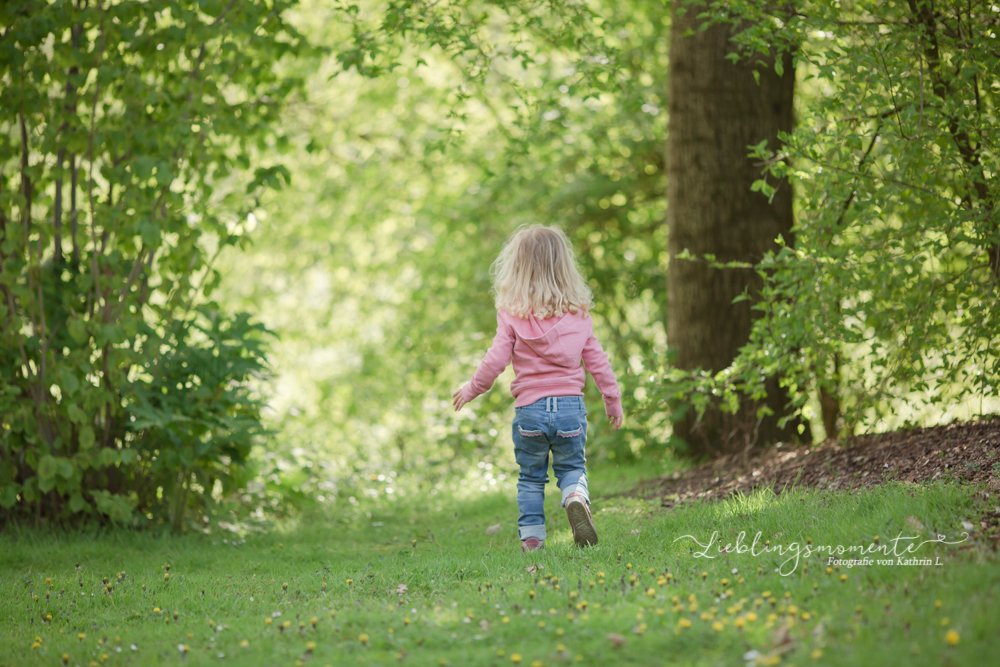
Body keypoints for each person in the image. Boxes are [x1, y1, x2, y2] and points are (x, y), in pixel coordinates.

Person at [452, 225, 624, 552]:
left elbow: (496, 359)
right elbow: (599, 362)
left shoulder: (512, 315)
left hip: (530, 411)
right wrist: (612, 400)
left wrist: (472, 388)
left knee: (531, 478)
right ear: (565, 267)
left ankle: (532, 538)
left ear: (517, 267)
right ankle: (575, 496)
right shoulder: (579, 315)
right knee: (572, 467)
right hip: (570, 409)